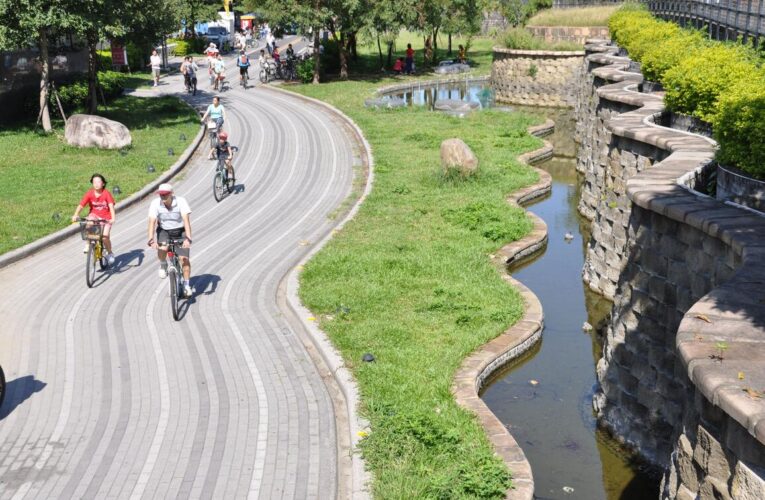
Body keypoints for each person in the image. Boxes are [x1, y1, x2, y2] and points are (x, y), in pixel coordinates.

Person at [147, 183, 193, 297]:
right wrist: (151, 239)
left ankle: (187, 285)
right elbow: (152, 222)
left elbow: (186, 220)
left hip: (180, 230)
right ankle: (163, 264)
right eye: (160, 195)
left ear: (172, 193)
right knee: (163, 248)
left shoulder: (181, 201)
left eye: (165, 194)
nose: (162, 197)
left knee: (184, 259)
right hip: (164, 231)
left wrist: (188, 238)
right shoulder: (155, 203)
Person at [71, 173, 116, 265]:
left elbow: (111, 206)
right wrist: (75, 214)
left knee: (104, 236)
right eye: (94, 182)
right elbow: (81, 205)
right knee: (89, 222)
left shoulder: (106, 193)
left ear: (103, 183)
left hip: (106, 217)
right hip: (94, 215)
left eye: (98, 182)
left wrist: (113, 218)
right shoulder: (90, 193)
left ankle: (110, 253)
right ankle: (88, 244)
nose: (96, 184)